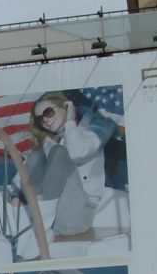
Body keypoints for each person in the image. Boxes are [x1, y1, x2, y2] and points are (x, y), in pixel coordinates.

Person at [9, 91, 122, 238]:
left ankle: (38, 226)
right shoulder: (47, 139)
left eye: (48, 112)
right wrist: (15, 194)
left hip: (76, 211)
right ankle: (33, 218)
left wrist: (70, 122)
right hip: (49, 215)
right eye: (39, 119)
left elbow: (77, 153)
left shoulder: (98, 126)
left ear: (66, 106)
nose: (45, 120)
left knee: (58, 153)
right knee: (37, 153)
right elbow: (26, 171)